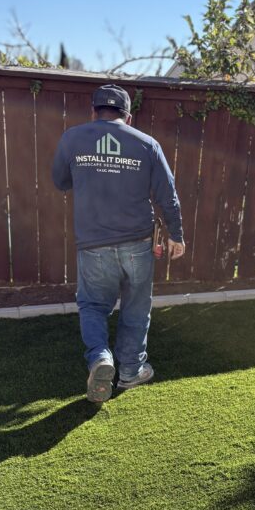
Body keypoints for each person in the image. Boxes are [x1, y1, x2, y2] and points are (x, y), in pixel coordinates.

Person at [52, 84, 185, 403]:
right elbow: (168, 196)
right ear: (128, 116)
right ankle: (131, 371)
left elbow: (60, 181)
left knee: (93, 305)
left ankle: (100, 358)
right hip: (138, 244)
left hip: (94, 244)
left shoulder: (72, 138)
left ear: (94, 110)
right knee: (136, 306)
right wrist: (176, 235)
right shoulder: (147, 144)